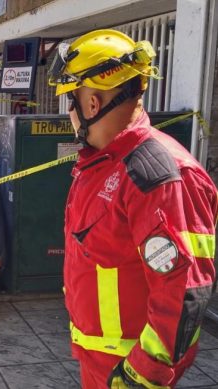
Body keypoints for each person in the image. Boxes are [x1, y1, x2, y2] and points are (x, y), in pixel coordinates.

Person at [48, 29, 217, 388]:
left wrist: (141, 375)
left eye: (71, 101)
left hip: (128, 370)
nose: (70, 114)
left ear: (92, 104)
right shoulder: (104, 162)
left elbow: (185, 290)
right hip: (98, 357)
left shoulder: (158, 176)